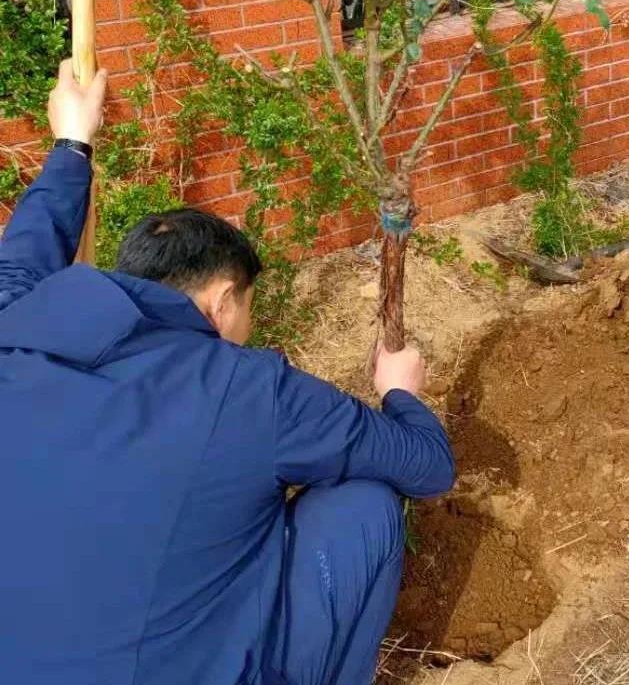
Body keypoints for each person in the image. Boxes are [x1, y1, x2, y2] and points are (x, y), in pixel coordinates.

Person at [0, 61, 455, 683]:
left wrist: (72, 143)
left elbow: (21, 258)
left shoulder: (17, 330)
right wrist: (400, 392)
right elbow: (426, 466)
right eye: (247, 308)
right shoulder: (247, 391)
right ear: (221, 301)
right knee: (364, 506)